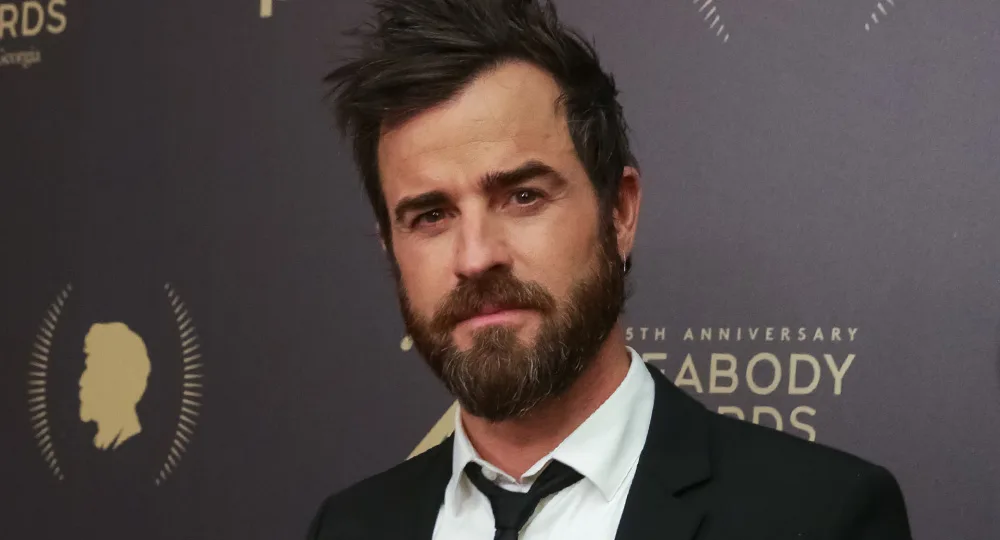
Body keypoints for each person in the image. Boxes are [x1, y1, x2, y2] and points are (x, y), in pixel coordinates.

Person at [309, 1, 913, 538]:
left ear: (619, 212)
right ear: (390, 248)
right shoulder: (350, 526)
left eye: (523, 196)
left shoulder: (819, 515)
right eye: (432, 215)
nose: (475, 257)